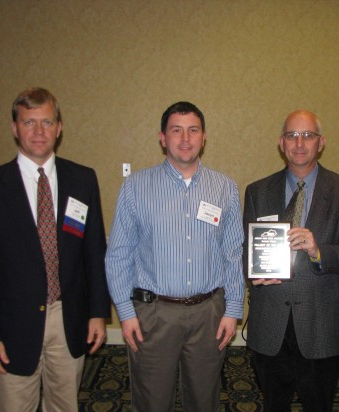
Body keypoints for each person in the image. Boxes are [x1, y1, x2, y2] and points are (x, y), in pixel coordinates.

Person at [0, 87, 110, 411]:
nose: (39, 131)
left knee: (64, 404)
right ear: (15, 128)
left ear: (59, 127)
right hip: (12, 324)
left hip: (68, 316)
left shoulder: (82, 179)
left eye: (47, 122)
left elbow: (93, 252)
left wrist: (98, 313)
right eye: (29, 123)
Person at [105, 101, 245, 411]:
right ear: (162, 137)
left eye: (193, 130)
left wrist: (232, 309)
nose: (185, 138)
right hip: (154, 315)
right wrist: (126, 314)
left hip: (209, 313)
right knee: (152, 400)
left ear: (204, 137)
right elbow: (118, 255)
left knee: (204, 399)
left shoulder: (225, 188)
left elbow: (233, 252)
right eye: (176, 130)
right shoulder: (135, 188)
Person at [243, 110, 339, 411]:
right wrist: (252, 273)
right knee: (274, 404)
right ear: (281, 143)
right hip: (269, 321)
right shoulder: (257, 191)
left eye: (307, 135)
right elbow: (246, 248)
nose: (299, 143)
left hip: (320, 322)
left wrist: (318, 250)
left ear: (320, 142)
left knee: (318, 405)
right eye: (292, 135)